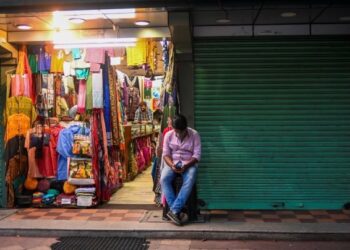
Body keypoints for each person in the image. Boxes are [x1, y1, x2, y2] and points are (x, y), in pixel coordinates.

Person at [160, 114, 201, 226]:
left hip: (188, 164)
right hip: (173, 163)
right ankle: (176, 211)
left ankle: (174, 210)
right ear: (173, 128)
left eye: (181, 131)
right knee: (163, 179)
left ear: (185, 128)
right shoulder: (168, 135)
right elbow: (166, 154)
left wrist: (186, 166)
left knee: (191, 177)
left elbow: (197, 156)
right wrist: (172, 165)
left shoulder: (194, 135)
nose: (179, 134)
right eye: (176, 131)